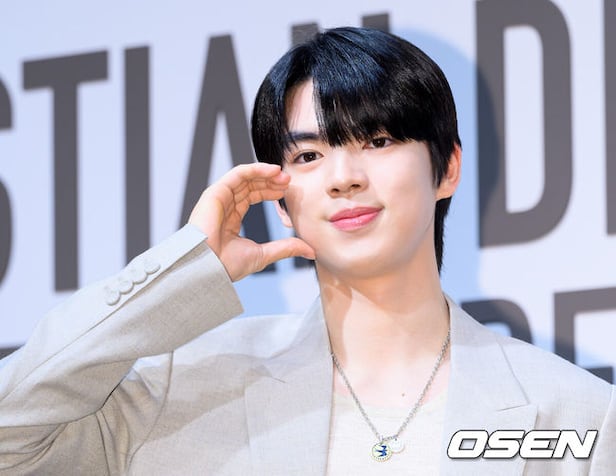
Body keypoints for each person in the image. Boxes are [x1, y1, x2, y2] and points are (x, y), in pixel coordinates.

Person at [0, 27, 613, 475]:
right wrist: (181, 270)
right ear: (280, 197)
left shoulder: (576, 414)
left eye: (377, 140)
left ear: (446, 168)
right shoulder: (180, 390)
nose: (343, 178)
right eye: (309, 155)